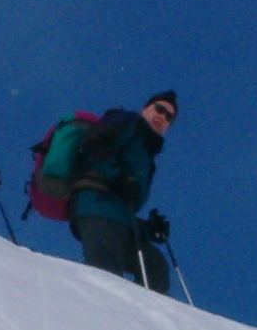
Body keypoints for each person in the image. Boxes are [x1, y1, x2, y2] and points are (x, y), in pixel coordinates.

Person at [69, 90, 178, 293]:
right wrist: (119, 176)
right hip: (97, 207)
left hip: (118, 218)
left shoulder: (146, 155)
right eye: (159, 109)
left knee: (155, 267)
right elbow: (94, 143)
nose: (162, 117)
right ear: (145, 109)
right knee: (105, 279)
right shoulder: (129, 121)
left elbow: (124, 197)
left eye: (169, 117)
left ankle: (141, 312)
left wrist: (147, 228)